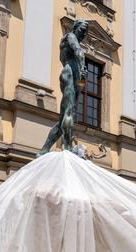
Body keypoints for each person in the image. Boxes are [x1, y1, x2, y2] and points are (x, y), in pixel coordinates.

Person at [38, 20, 89, 156]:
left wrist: (82, 80)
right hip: (69, 73)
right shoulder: (70, 36)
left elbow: (81, 81)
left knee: (64, 118)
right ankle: (67, 148)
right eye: (82, 29)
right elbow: (78, 52)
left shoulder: (75, 40)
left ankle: (43, 150)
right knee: (69, 112)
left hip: (76, 78)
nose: (84, 33)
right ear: (75, 27)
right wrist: (83, 66)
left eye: (85, 31)